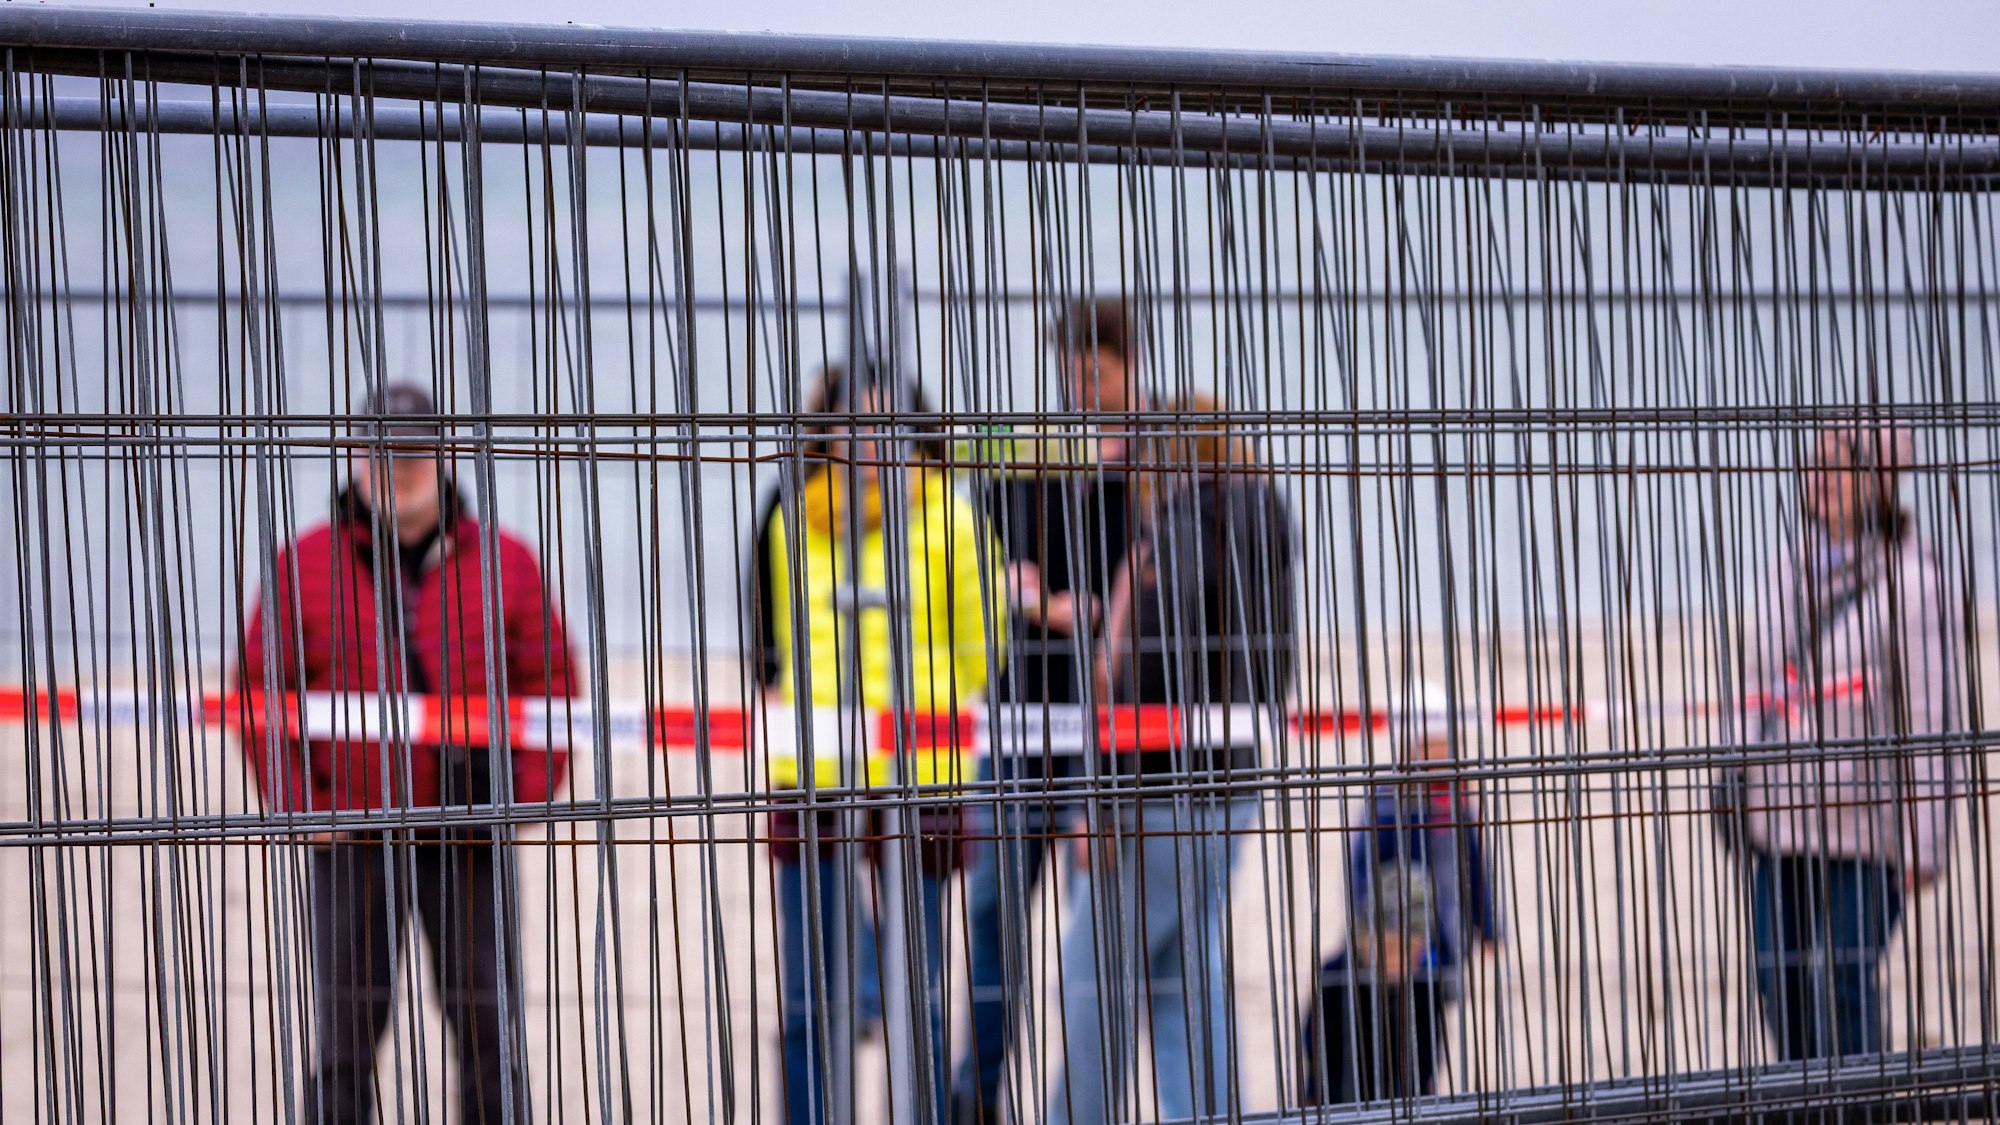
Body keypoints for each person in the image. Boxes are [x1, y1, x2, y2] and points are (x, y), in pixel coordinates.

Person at [237, 381, 577, 1125]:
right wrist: (302, 810)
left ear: (445, 456)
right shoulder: (303, 564)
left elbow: (553, 688)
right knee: (344, 1039)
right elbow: (260, 698)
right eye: (382, 452)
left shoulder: (508, 562)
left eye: (414, 452)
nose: (398, 467)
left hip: (468, 831)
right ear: (355, 458)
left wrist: (520, 800)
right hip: (351, 834)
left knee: (489, 1033)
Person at [760, 365, 1007, 1125]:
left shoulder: (953, 514)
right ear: (827, 433)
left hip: (922, 772)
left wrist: (920, 703)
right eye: (854, 425)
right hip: (813, 770)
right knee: (808, 993)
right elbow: (777, 636)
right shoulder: (792, 514)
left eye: (886, 426)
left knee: (914, 992)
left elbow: (985, 644)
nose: (870, 442)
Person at [1046, 394, 1298, 1125]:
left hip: (1154, 799)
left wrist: (1099, 805)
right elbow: (1275, 675)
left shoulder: (1180, 534)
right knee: (1186, 983)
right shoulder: (1266, 524)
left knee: (1094, 981)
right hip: (1231, 786)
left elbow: (1142, 684)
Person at [952, 297, 1145, 1124]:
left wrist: (1101, 611)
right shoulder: (1025, 447)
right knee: (993, 908)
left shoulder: (1153, 461)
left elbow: (1161, 571)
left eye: (1096, 371)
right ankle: (976, 1094)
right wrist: (1033, 601)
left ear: (1129, 367)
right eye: (1073, 372)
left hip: (1108, 727)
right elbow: (973, 557)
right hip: (1018, 713)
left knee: (1091, 927)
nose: (1082, 386)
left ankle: (1082, 1099)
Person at [1730, 424, 1962, 1063]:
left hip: (1868, 832)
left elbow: (1932, 719)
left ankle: (1858, 1103)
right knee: (1778, 982)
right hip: (1782, 823)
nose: (1820, 479)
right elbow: (1751, 686)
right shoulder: (1785, 573)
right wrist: (1736, 775)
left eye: (1839, 465)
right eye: (1814, 464)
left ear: (1878, 483)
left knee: (1841, 980)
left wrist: (1925, 839)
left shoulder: (1913, 584)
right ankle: (1803, 1099)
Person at [1298, 682, 1501, 1105]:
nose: (1443, 755)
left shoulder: (1455, 801)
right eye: (1432, 746)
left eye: (1448, 745)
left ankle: (1417, 1092)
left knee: (1426, 1017)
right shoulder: (1386, 804)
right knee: (1378, 1021)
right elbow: (1361, 874)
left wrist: (1487, 924)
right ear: (1409, 748)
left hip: (1439, 941)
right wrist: (1375, 934)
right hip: (1391, 939)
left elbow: (1474, 864)